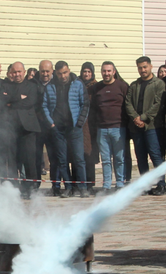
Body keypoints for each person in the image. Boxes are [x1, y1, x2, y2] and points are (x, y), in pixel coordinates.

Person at [43, 61, 88, 197]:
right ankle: (68, 187)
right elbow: (44, 106)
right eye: (60, 73)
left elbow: (85, 104)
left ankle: (83, 187)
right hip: (58, 130)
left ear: (69, 70)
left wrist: (80, 123)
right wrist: (51, 123)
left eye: (65, 72)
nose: (63, 76)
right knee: (62, 161)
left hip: (74, 128)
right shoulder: (50, 86)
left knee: (79, 159)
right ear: (56, 73)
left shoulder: (78, 84)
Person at [0, 62, 41, 198]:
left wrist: (11, 102)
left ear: (24, 72)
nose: (17, 74)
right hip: (11, 128)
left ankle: (31, 189)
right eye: (14, 72)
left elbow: (30, 102)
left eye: (19, 72)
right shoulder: (5, 86)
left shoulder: (32, 86)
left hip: (28, 129)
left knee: (29, 160)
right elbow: (1, 101)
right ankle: (14, 189)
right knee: (12, 160)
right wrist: (18, 98)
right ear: (11, 73)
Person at [126, 56, 166, 195]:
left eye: (145, 67)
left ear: (150, 66)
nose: (142, 70)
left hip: (152, 127)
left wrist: (143, 118)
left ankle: (161, 184)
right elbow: (128, 103)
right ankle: (145, 185)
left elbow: (158, 104)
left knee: (156, 155)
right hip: (136, 127)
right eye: (140, 68)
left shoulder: (158, 84)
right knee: (140, 157)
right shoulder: (134, 85)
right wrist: (136, 118)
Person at [92, 61, 128, 194]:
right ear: (101, 72)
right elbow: (94, 107)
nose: (106, 73)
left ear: (113, 72)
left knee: (119, 158)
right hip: (101, 129)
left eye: (109, 71)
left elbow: (127, 106)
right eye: (104, 71)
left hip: (118, 128)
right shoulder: (97, 88)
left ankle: (120, 183)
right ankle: (106, 185)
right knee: (105, 160)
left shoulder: (122, 86)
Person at [78, 62, 99, 196]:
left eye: (89, 72)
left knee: (90, 155)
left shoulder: (96, 86)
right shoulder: (77, 85)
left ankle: (91, 183)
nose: (86, 74)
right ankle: (80, 183)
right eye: (84, 71)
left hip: (92, 125)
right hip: (80, 123)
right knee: (79, 155)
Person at [34, 60, 54, 184]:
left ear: (52, 71)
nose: (45, 74)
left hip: (52, 126)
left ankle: (55, 185)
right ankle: (36, 184)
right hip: (38, 126)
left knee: (54, 158)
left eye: (47, 71)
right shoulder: (33, 84)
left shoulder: (57, 84)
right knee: (36, 157)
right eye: (42, 71)